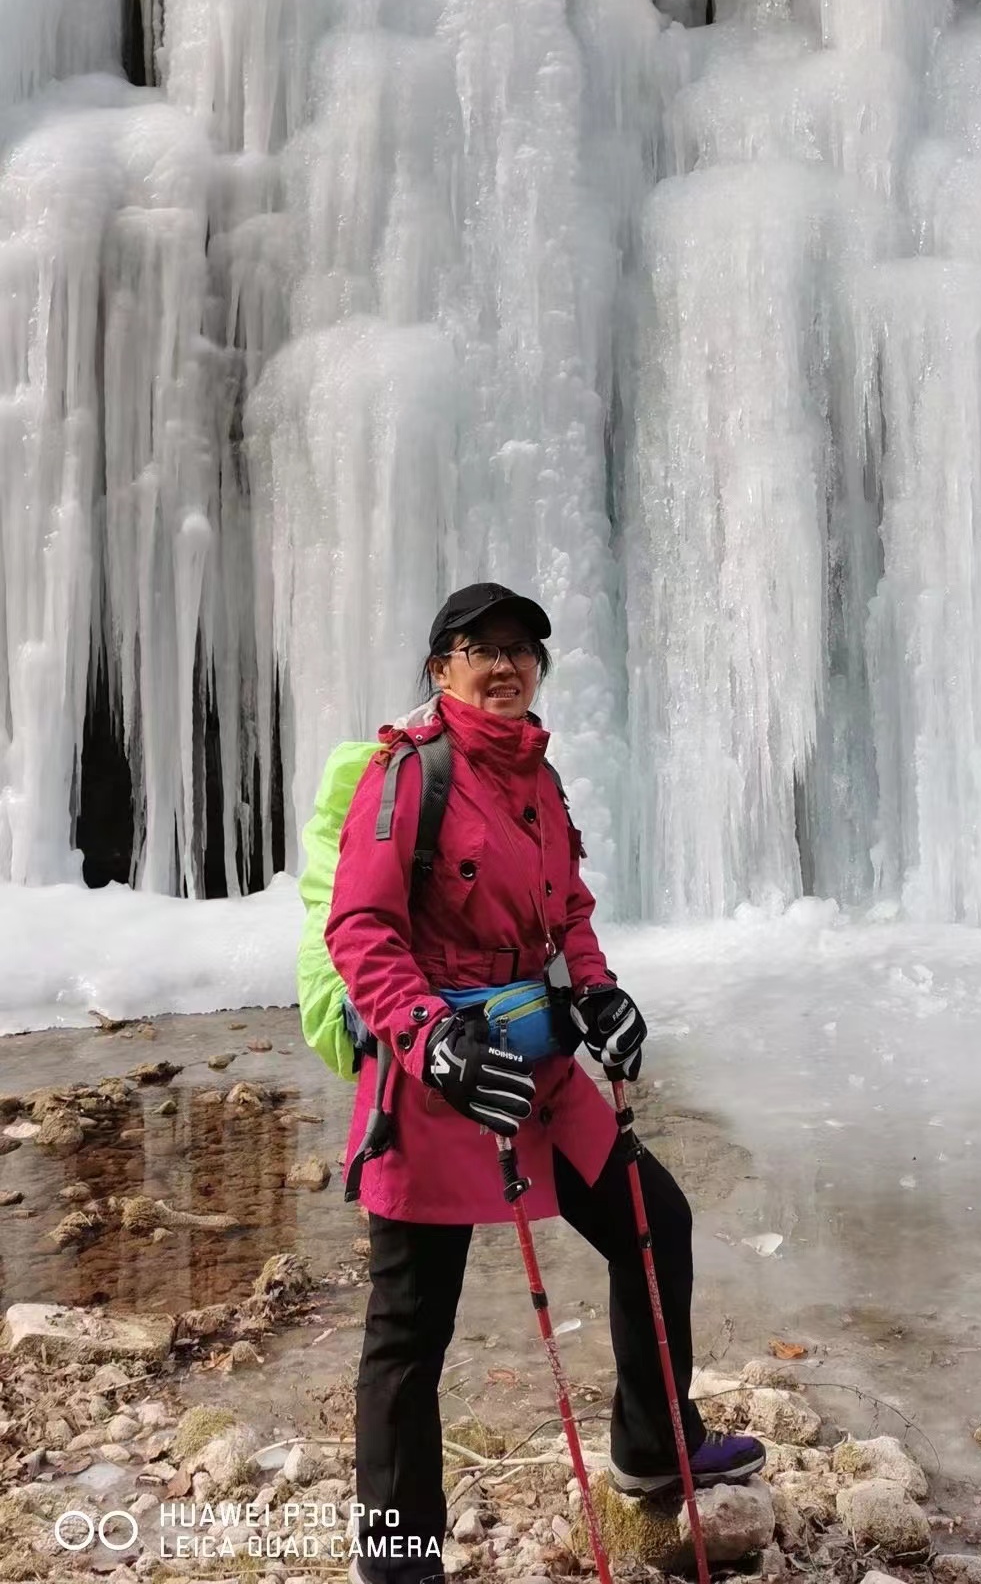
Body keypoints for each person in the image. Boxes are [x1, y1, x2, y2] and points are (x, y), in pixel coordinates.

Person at [325, 581, 765, 1584]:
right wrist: (430, 1037)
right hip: (440, 1078)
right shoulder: (409, 774)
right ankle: (395, 1558)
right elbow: (361, 929)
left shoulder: (539, 776)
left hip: (540, 1059)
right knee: (409, 1328)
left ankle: (654, 1444)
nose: (505, 662)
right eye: (480, 645)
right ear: (441, 667)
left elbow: (567, 911)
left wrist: (602, 993)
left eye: (521, 647)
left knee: (652, 1218)